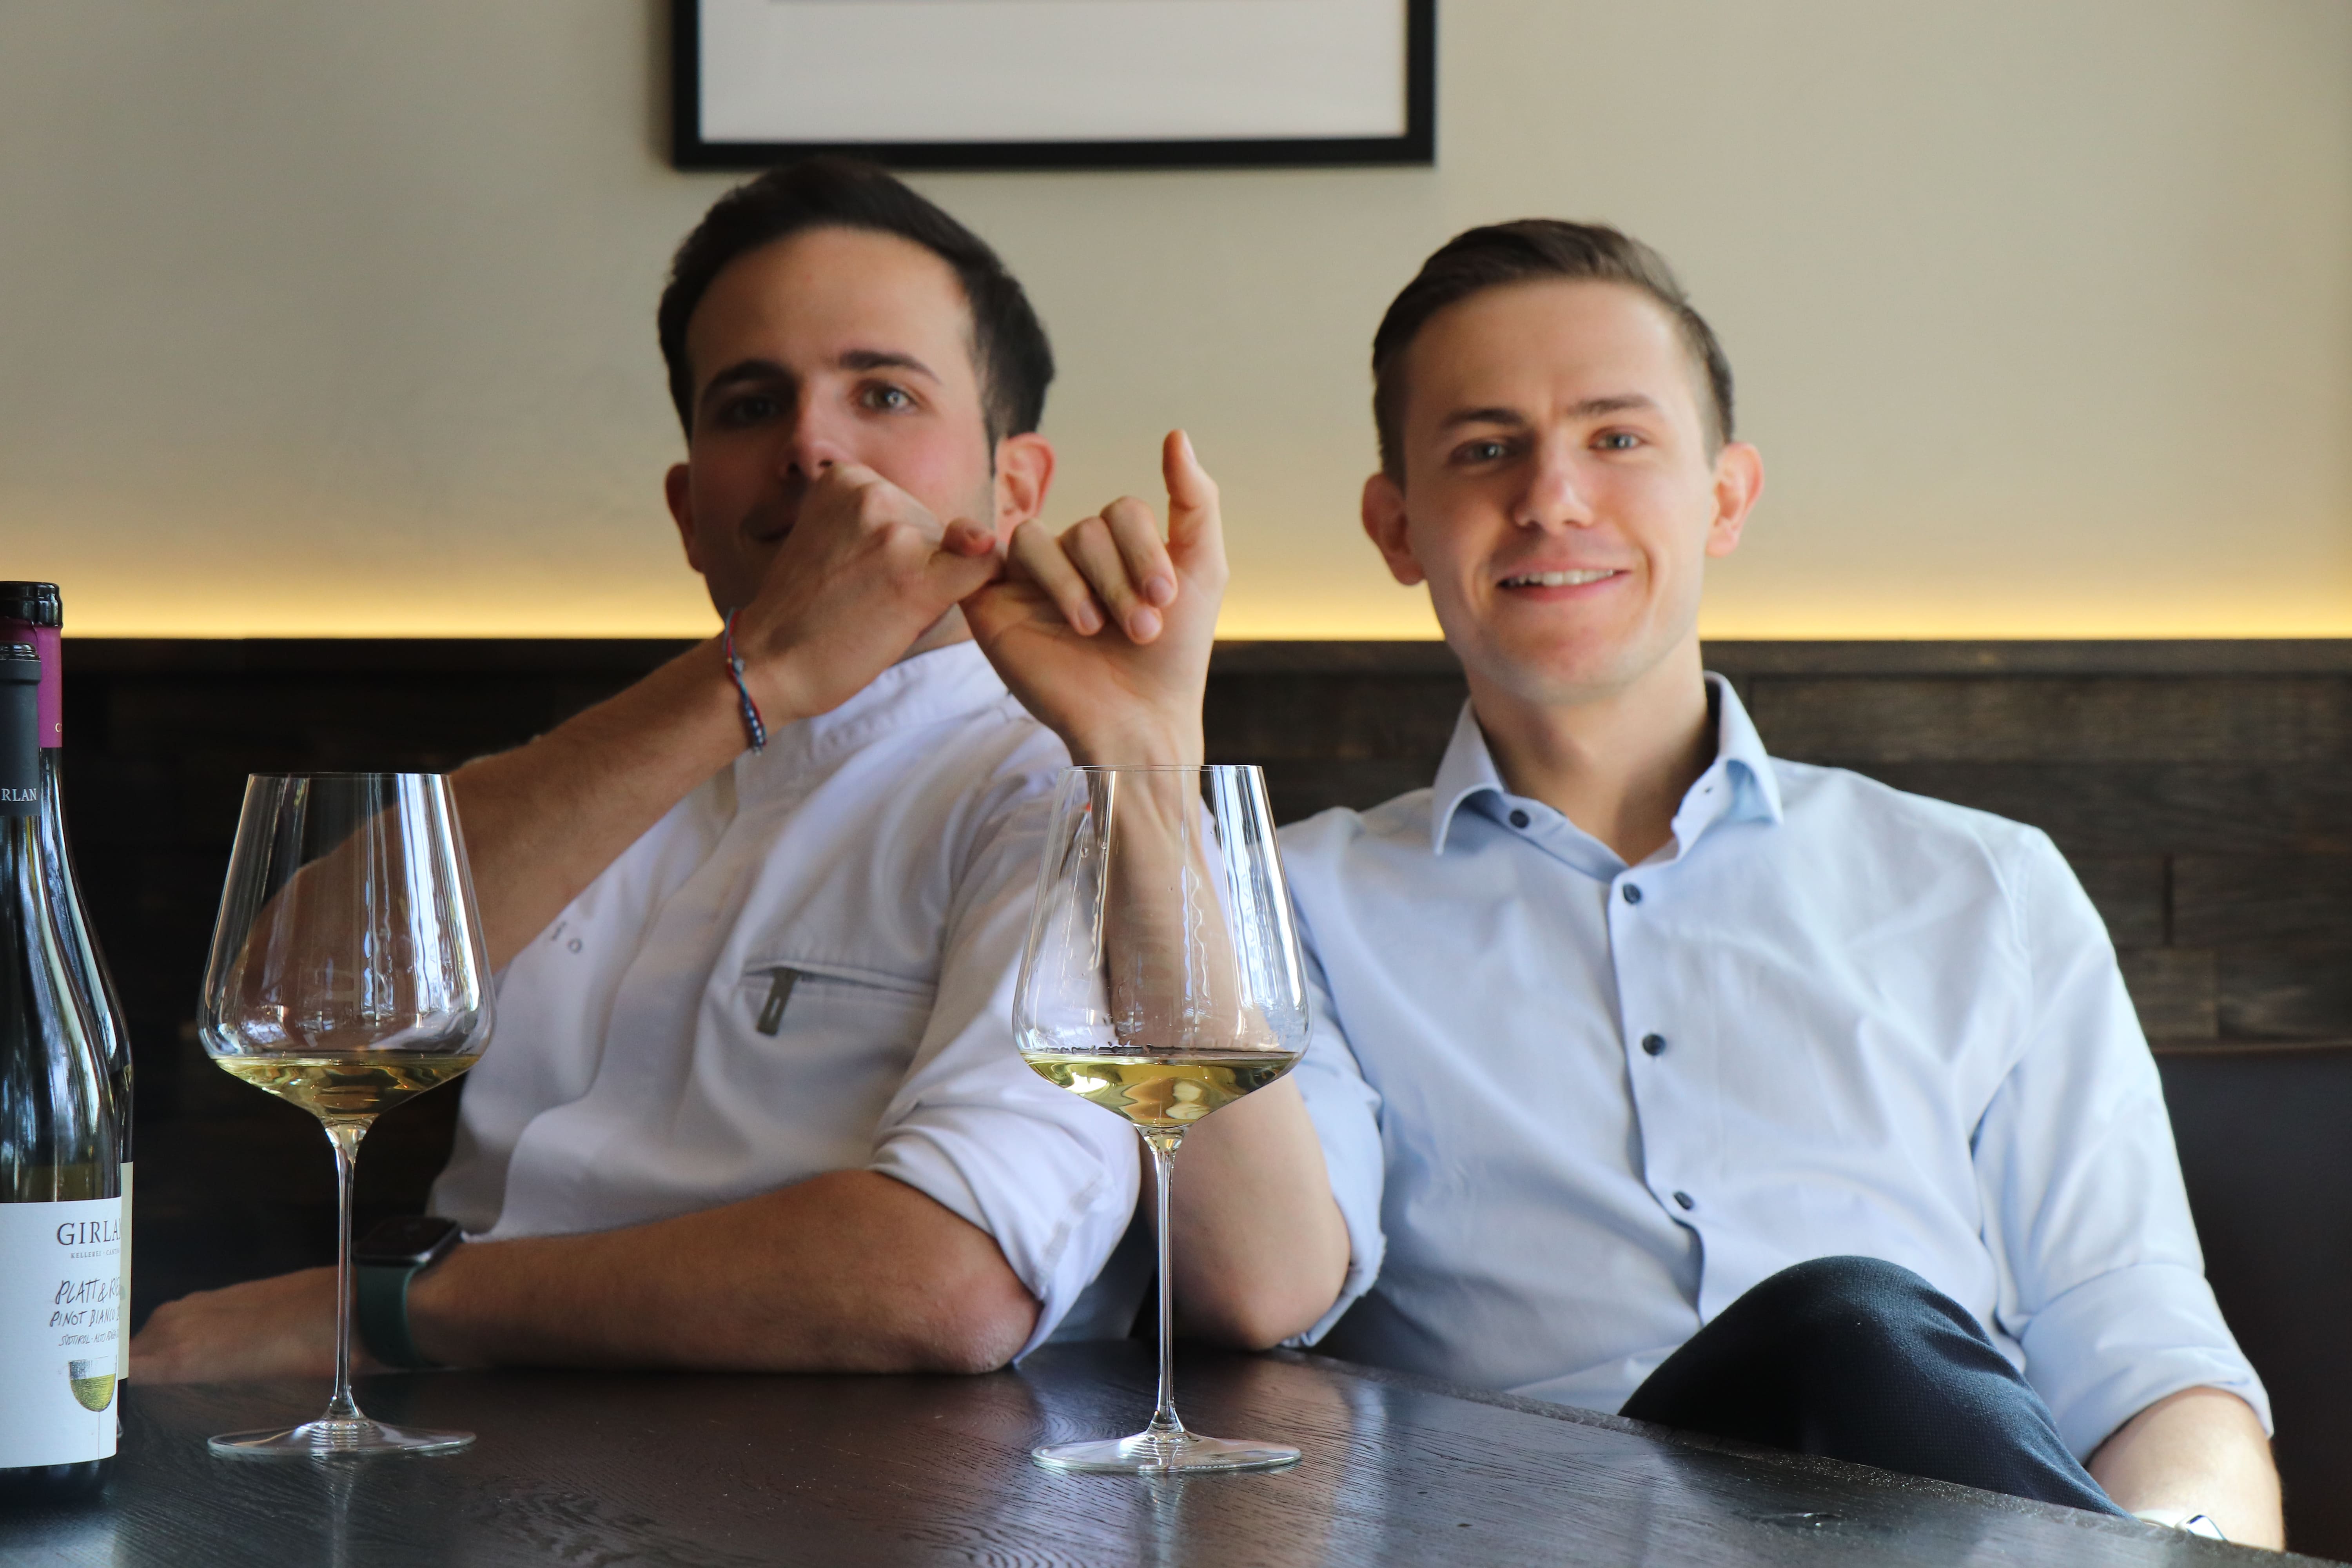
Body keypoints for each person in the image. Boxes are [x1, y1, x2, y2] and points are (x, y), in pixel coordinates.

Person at [982, 221, 2284, 1546]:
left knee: (1861, 1334)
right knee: (1844, 1323)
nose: (1553, 498)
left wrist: (2182, 1544)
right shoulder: (1298, 901)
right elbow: (1264, 1289)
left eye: (1616, 437)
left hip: (1953, 1537)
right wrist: (1145, 750)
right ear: (1396, 525)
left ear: (1726, 497)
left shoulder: (1989, 888)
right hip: (1537, 1541)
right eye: (1483, 450)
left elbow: (2155, 1369)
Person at [131, 158, 1178, 1381]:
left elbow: (943, 1286)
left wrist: (380, 1310)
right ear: (689, 512)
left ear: (1017, 486)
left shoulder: (1062, 791)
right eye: (750, 405)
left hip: (838, 1468)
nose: (813, 447)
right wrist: (753, 674)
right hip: (461, 1448)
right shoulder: (602, 760)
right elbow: (285, 1011)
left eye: (885, 393)